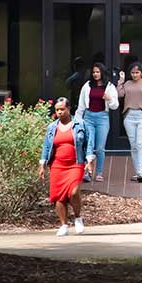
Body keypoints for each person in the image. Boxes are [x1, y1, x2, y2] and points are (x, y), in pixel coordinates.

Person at [38, 97, 87, 237]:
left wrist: (90, 159)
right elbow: (46, 146)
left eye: (62, 109)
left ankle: (78, 218)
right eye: (57, 110)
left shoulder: (80, 124)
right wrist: (42, 164)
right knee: (59, 196)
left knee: (73, 192)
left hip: (75, 163)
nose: (59, 112)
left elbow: (88, 143)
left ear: (68, 108)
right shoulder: (52, 127)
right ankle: (64, 225)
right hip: (57, 165)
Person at [76, 62, 119, 183]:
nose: (95, 74)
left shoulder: (109, 86)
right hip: (88, 117)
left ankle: (99, 172)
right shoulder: (87, 86)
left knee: (100, 148)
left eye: (98, 72)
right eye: (94, 72)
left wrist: (109, 99)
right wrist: (78, 120)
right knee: (89, 145)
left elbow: (115, 106)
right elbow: (81, 105)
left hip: (102, 118)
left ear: (102, 73)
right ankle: (88, 172)